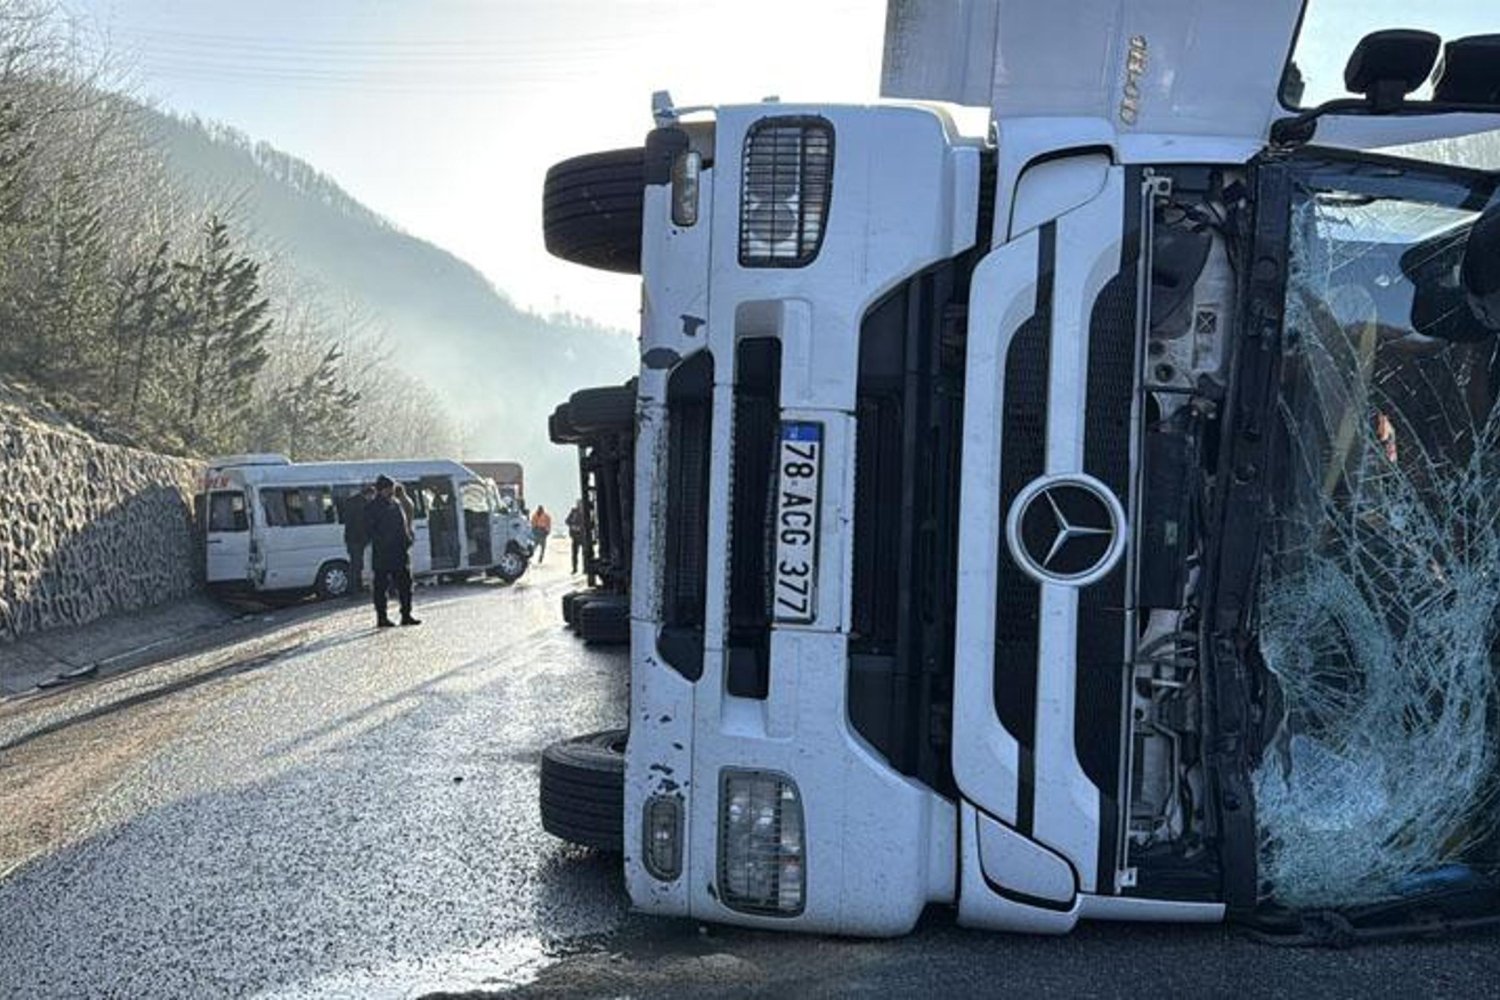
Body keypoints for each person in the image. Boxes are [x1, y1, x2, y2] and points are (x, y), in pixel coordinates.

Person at [366, 474, 420, 628]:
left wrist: (407, 540)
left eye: (392, 488)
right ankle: (382, 618)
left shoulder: (395, 504)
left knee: (405, 585)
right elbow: (369, 531)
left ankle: (406, 614)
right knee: (381, 588)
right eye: (388, 488)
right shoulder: (372, 508)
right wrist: (384, 541)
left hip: (400, 552)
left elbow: (402, 525)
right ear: (381, 490)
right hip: (383, 554)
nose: (391, 491)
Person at [341, 484, 374, 594]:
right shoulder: (361, 504)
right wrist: (367, 538)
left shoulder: (352, 501)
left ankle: (356, 588)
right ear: (368, 494)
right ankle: (355, 590)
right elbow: (361, 524)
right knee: (357, 565)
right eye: (371, 496)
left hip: (351, 538)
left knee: (356, 564)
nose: (372, 498)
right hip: (357, 539)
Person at [565, 501, 585, 575]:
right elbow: (567, 521)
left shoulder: (586, 511)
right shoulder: (574, 512)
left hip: (583, 536)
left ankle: (584, 568)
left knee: (585, 553)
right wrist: (573, 525)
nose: (580, 506)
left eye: (581, 504)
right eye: (578, 504)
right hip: (575, 536)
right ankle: (574, 569)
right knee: (574, 554)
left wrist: (581, 527)